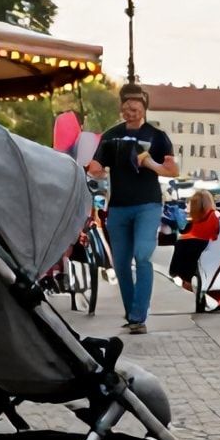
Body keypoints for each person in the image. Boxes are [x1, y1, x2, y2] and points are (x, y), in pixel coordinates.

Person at [85, 84, 178, 334]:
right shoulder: (111, 136)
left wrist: (150, 163)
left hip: (148, 205)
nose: (130, 109)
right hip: (118, 208)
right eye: (126, 105)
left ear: (143, 107)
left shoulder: (157, 136)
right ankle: (132, 314)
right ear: (122, 107)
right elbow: (96, 165)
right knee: (121, 264)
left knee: (142, 256)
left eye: (135, 105)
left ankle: (139, 315)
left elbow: (173, 171)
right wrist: (94, 168)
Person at [168, 189, 219, 290]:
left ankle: (179, 274)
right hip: (207, 245)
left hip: (206, 246)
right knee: (184, 243)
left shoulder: (213, 216)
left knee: (184, 244)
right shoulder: (210, 216)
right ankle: (181, 276)